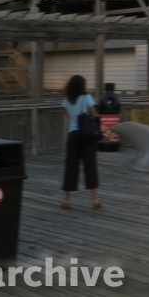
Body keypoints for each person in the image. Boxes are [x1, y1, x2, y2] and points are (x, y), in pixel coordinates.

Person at [61, 75, 100, 209]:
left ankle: (66, 199)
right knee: (90, 166)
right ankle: (94, 199)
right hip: (87, 135)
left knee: (71, 166)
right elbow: (93, 114)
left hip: (73, 135)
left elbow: (67, 115)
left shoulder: (66, 100)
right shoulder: (86, 97)